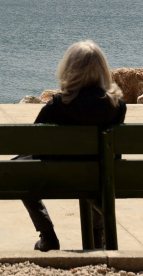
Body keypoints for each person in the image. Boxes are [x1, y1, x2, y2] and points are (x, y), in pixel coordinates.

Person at [20, 40, 126, 251]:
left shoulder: (58, 106)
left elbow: (34, 142)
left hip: (59, 177)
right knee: (97, 170)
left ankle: (48, 236)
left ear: (69, 69)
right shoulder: (117, 106)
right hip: (101, 176)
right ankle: (98, 237)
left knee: (20, 170)